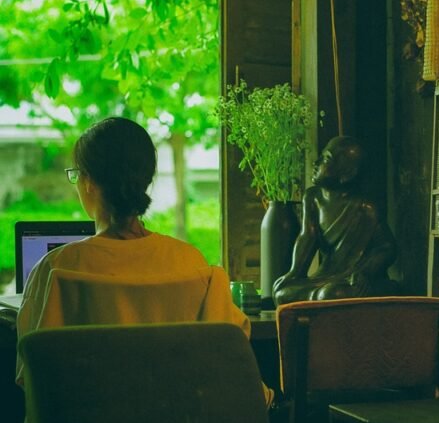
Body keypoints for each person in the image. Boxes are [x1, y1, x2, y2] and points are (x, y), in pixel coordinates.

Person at [15, 117, 268, 397]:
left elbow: (32, 377)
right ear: (145, 180)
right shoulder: (191, 263)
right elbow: (227, 356)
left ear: (88, 182)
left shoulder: (54, 269)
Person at [273, 135, 397, 304]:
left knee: (333, 294)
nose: (316, 163)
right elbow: (307, 237)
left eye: (326, 159)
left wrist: (365, 273)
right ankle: (316, 296)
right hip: (326, 277)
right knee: (281, 293)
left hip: (354, 279)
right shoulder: (313, 198)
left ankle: (319, 297)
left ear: (347, 173)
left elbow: (386, 247)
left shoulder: (364, 208)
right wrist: (295, 272)